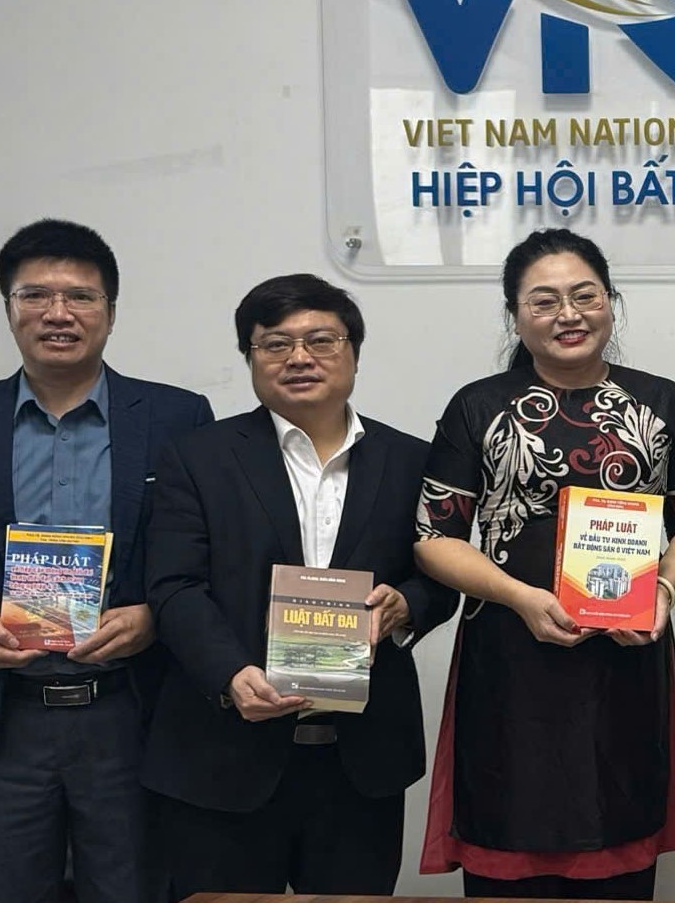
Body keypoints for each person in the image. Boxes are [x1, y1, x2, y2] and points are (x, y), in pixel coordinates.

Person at [0, 219, 214, 903]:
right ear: (9, 308)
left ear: (110, 312)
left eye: (81, 297)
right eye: (35, 295)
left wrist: (156, 616)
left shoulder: (177, 417)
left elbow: (207, 553)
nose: (58, 313)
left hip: (131, 712)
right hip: (0, 718)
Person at [414, 229, 675, 900]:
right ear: (515, 316)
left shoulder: (662, 404)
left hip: (625, 656)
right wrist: (520, 597)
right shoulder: (478, 406)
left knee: (619, 841)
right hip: (509, 660)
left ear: (611, 301)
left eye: (585, 296)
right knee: (506, 841)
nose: (568, 315)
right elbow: (433, 537)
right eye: (544, 301)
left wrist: (663, 589)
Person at [141, 273, 455, 896]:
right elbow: (173, 585)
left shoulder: (413, 460)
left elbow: (439, 576)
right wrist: (230, 675)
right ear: (250, 358)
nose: (300, 358)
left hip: (361, 761)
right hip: (223, 755)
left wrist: (407, 605)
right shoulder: (196, 457)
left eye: (321, 340)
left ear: (354, 353)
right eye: (276, 344)